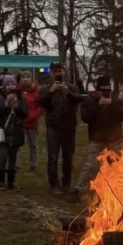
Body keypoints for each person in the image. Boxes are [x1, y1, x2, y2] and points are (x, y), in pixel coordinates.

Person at [38, 61, 83, 195]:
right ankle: (54, 185)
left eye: (60, 71)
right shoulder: (46, 88)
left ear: (64, 72)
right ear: (51, 73)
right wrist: (51, 92)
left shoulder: (72, 87)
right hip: (53, 127)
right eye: (55, 71)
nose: (58, 73)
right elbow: (41, 103)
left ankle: (66, 184)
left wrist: (67, 92)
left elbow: (79, 99)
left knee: (68, 157)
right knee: (53, 157)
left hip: (69, 127)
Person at [78, 75, 123, 192]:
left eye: (107, 90)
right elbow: (85, 118)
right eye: (103, 90)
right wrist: (98, 106)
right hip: (97, 139)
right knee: (91, 166)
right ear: (98, 90)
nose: (105, 92)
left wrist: (112, 105)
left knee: (116, 165)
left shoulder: (116, 100)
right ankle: (80, 188)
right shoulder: (89, 100)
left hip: (114, 139)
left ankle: (116, 188)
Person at [0, 86, 27, 190]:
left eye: (14, 94)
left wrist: (16, 106)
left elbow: (24, 114)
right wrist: (6, 105)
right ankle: (0, 181)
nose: (12, 97)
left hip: (16, 135)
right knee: (3, 156)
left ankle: (11, 181)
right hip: (4, 135)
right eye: (10, 94)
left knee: (13, 159)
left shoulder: (22, 103)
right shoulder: (2, 101)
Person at [20, 71, 44, 170]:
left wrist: (33, 116)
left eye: (28, 77)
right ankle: (16, 164)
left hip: (32, 123)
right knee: (18, 144)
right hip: (20, 122)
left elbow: (41, 106)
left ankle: (33, 164)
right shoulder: (19, 91)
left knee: (33, 145)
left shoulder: (37, 91)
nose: (25, 79)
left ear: (32, 79)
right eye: (23, 77)